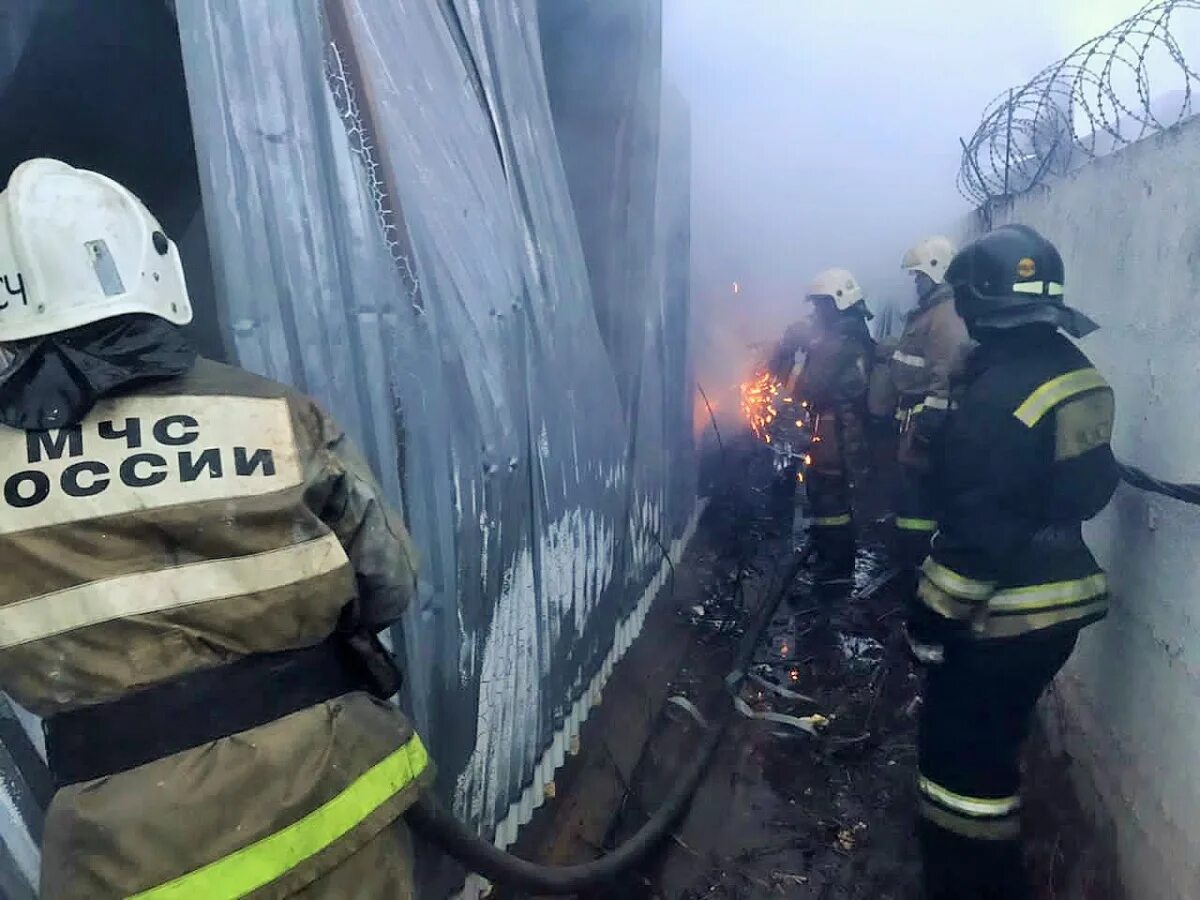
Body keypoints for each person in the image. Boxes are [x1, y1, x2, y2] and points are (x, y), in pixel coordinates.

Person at [0, 159, 430, 898]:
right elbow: (389, 578)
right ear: (151, 269)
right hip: (341, 801)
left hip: (132, 863)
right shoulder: (269, 412)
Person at [908, 224, 1118, 900]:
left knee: (958, 768)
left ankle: (969, 883)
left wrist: (928, 620)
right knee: (996, 745)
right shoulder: (1073, 371)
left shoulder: (996, 402)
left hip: (1007, 616)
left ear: (979, 304)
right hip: (1063, 601)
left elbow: (976, 536)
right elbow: (1093, 483)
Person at [878, 236, 971, 589]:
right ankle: (910, 566)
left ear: (936, 272)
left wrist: (931, 420)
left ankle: (917, 571)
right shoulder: (932, 312)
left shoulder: (945, 316)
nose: (915, 284)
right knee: (910, 500)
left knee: (918, 506)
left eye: (918, 277)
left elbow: (946, 367)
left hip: (925, 426)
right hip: (914, 422)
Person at [797, 268, 874, 587]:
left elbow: (811, 386)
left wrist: (807, 348)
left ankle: (835, 567)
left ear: (837, 303)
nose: (817, 312)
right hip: (842, 425)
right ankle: (832, 557)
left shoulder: (839, 339)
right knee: (832, 494)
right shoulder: (852, 332)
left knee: (829, 495)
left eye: (821, 305)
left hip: (837, 427)